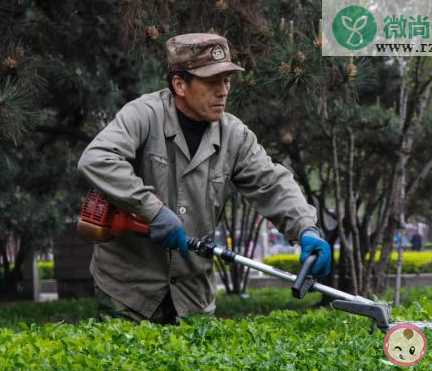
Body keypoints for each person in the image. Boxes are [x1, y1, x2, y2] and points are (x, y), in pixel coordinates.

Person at [77, 33, 331, 324]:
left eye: (227, 81)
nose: (223, 91)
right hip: (128, 291)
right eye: (212, 82)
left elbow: (271, 183)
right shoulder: (143, 116)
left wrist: (306, 229)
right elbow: (97, 158)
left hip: (192, 296)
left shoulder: (234, 135)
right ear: (179, 84)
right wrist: (152, 208)